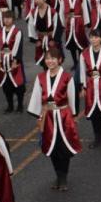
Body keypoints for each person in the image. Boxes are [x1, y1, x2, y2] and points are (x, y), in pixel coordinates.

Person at [27, 48, 82, 191]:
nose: (50, 61)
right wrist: (39, 116)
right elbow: (37, 98)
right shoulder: (40, 78)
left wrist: (73, 115)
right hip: (48, 116)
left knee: (63, 148)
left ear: (60, 60)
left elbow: (72, 97)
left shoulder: (67, 77)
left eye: (53, 58)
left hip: (63, 116)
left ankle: (63, 177)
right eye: (47, 58)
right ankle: (58, 175)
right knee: (52, 148)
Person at [0, 10, 25, 113]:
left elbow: (18, 46)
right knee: (6, 86)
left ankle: (20, 105)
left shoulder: (17, 32)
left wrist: (15, 60)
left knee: (19, 85)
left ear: (13, 19)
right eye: (5, 18)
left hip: (13, 62)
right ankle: (10, 106)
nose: (7, 20)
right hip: (2, 62)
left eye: (9, 18)